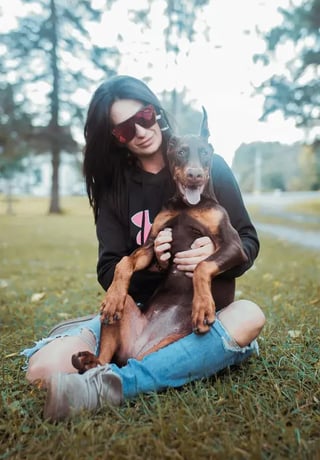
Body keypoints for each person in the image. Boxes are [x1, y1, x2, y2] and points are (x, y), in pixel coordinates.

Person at [22, 75, 265, 421]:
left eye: (144, 116)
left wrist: (209, 261)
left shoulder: (208, 168)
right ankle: (190, 360)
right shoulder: (115, 189)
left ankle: (112, 383)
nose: (139, 131)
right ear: (115, 140)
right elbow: (109, 269)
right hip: (140, 312)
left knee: (250, 315)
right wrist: (152, 265)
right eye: (124, 130)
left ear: (156, 112)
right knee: (43, 370)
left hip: (199, 315)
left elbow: (247, 242)